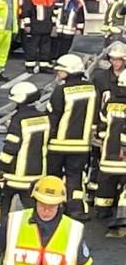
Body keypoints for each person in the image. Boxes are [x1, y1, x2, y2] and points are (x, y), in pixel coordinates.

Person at [43, 53, 98, 217]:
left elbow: (52, 117)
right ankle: (76, 209)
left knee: (54, 178)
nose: (58, 74)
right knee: (76, 178)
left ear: (69, 71)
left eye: (60, 71)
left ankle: (54, 207)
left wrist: (45, 139)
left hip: (58, 144)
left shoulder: (61, 91)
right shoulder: (92, 89)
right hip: (81, 146)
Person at [0, 81, 52, 219]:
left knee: (1, 205)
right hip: (36, 174)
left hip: (15, 175)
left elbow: (11, 148)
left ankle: (2, 231)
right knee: (33, 210)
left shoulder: (18, 119)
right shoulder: (43, 117)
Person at [93, 84, 126, 236]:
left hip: (108, 155)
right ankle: (121, 219)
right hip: (123, 158)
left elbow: (101, 129)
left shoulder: (110, 103)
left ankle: (103, 210)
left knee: (106, 184)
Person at [19, 0, 57, 71]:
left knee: (45, 48)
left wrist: (53, 25)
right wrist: (27, 25)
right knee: (32, 47)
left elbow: (52, 12)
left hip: (46, 27)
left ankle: (43, 66)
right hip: (34, 27)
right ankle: (30, 66)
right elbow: (26, 12)